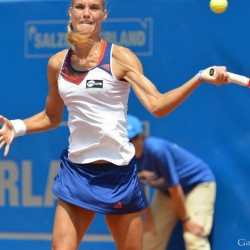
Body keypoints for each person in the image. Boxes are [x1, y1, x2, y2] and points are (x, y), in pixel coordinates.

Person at [0, 0, 229, 249]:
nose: (86, 13)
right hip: (76, 173)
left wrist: (198, 79)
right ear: (71, 12)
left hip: (118, 175)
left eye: (94, 8)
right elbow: (52, 117)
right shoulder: (57, 63)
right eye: (80, 6)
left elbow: (157, 105)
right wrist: (17, 126)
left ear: (103, 15)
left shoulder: (121, 57)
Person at [127, 114, 216, 250]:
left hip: (197, 185)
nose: (131, 143)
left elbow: (175, 187)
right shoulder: (124, 158)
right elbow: (138, 192)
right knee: (150, 236)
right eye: (126, 140)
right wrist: (149, 221)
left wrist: (185, 219)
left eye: (133, 138)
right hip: (167, 191)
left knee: (193, 236)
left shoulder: (157, 150)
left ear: (142, 136)